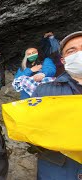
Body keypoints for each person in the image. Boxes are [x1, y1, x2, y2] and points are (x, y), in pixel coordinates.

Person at [32, 31, 82, 180]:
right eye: (71, 51)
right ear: (63, 60)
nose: (79, 53)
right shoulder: (44, 91)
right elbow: (31, 133)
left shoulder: (47, 59)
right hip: (58, 170)